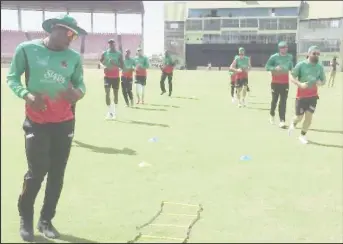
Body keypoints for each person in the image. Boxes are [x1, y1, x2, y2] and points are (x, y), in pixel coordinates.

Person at [6, 15, 87, 242]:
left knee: (57, 173)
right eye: (69, 33)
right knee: (37, 172)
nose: (72, 39)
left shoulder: (73, 57)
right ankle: (26, 219)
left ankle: (46, 220)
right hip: (36, 122)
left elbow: (80, 84)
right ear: (54, 29)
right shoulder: (26, 49)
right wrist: (28, 96)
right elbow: (12, 78)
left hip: (64, 122)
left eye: (75, 35)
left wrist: (78, 94)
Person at [288, 46, 326, 144]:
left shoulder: (319, 67)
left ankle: (302, 135)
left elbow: (323, 80)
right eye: (314, 53)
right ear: (308, 54)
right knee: (299, 117)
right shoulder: (301, 65)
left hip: (313, 96)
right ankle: (293, 123)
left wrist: (320, 83)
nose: (316, 55)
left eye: (318, 54)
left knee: (309, 118)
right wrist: (299, 84)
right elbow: (291, 76)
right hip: (301, 96)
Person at [265, 41, 294, 128]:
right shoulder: (274, 57)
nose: (284, 49)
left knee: (283, 102)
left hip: (285, 83)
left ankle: (282, 120)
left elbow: (291, 66)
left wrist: (293, 71)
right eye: (282, 48)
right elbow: (267, 67)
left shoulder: (290, 57)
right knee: (274, 100)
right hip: (275, 82)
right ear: (280, 49)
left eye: (286, 47)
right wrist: (274, 68)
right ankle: (272, 114)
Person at [100, 39, 122, 120]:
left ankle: (115, 112)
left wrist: (115, 64)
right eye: (109, 44)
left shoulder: (119, 54)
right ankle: (110, 112)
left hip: (116, 77)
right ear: (108, 45)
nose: (111, 45)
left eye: (112, 44)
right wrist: (104, 66)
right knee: (107, 93)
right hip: (107, 77)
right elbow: (100, 62)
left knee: (115, 95)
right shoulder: (105, 53)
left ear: (115, 45)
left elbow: (122, 65)